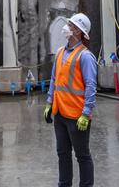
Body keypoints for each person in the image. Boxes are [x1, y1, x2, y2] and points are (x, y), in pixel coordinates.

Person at [44, 12, 97, 187]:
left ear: (79, 32)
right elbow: (53, 79)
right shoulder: (60, 52)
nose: (67, 28)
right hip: (59, 114)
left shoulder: (86, 56)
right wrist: (49, 102)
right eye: (69, 24)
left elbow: (91, 87)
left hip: (77, 116)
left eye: (72, 26)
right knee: (63, 154)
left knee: (82, 156)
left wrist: (86, 113)